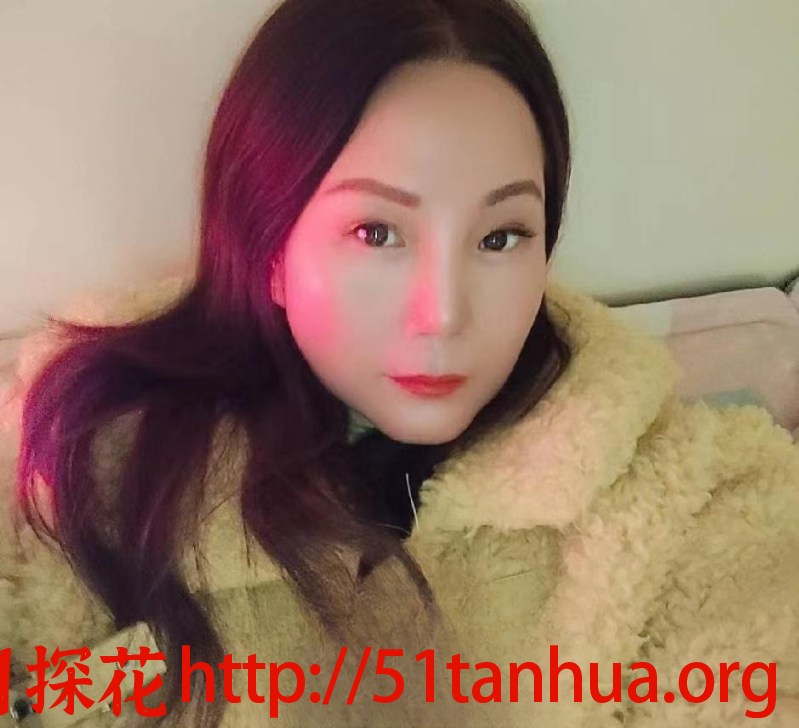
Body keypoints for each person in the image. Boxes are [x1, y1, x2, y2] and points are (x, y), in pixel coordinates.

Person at [1, 0, 797, 725]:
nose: (443, 313)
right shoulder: (79, 464)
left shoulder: (663, 482)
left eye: (500, 237)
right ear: (269, 248)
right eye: (377, 233)